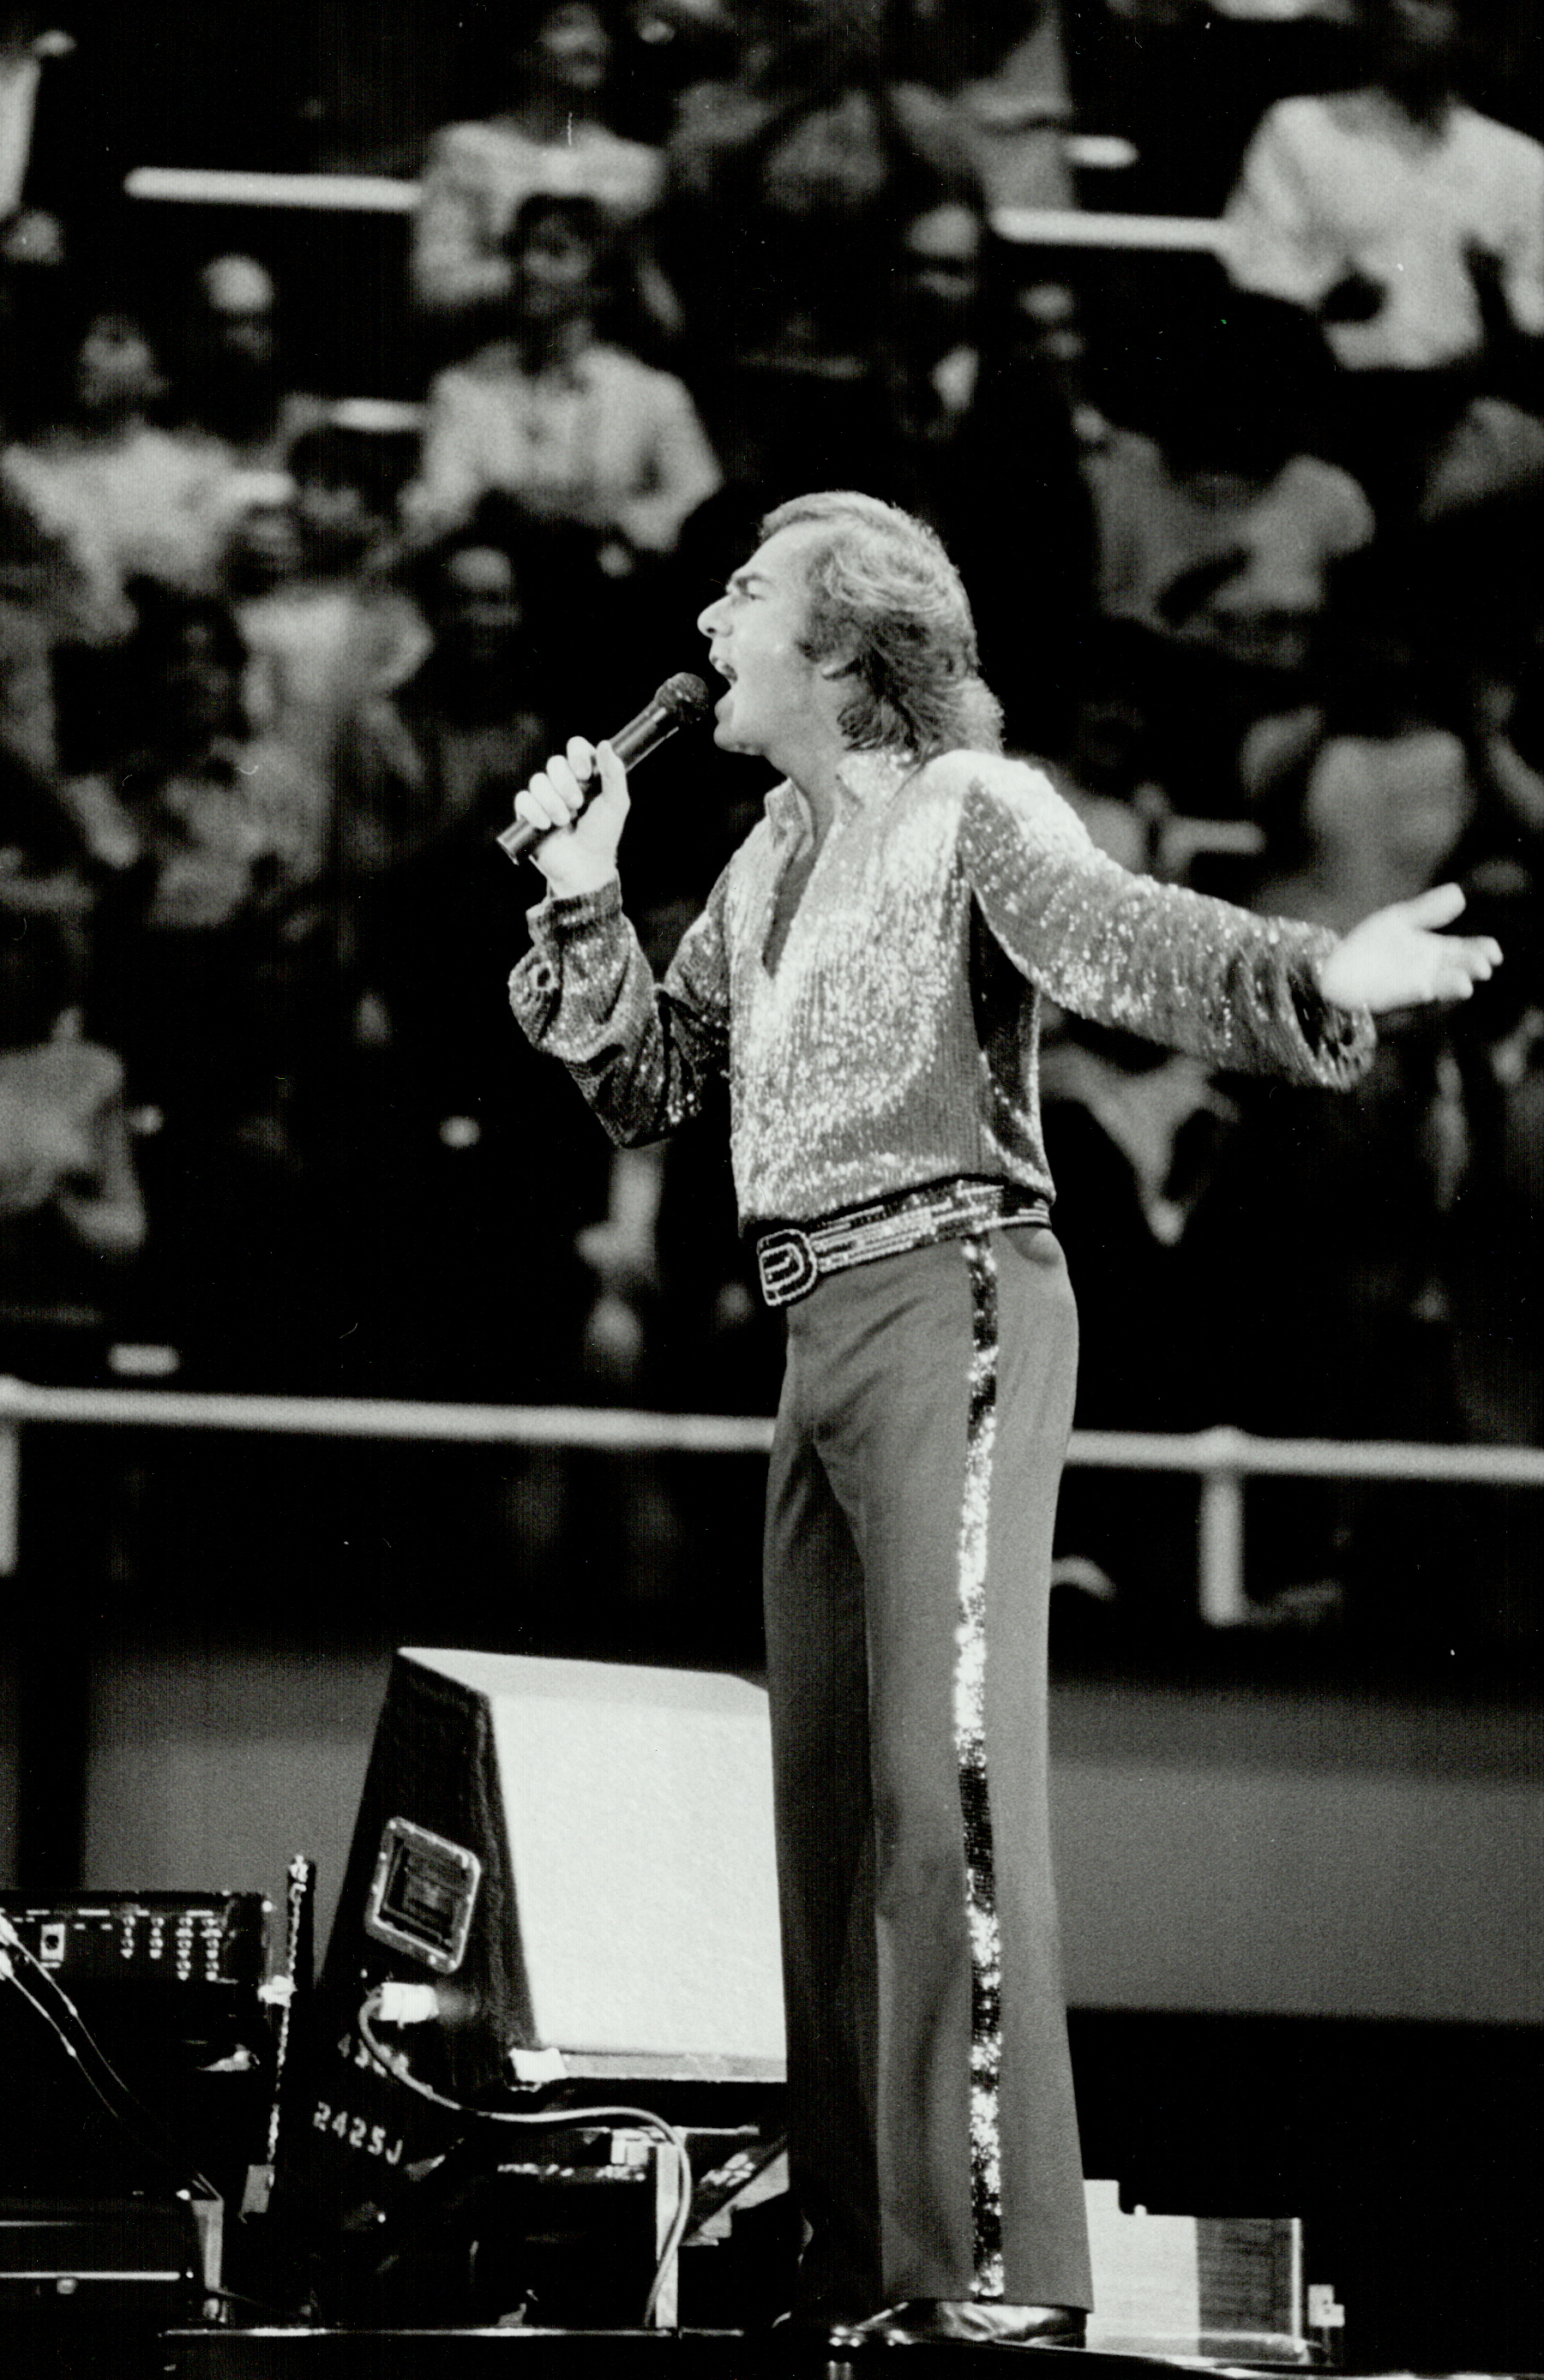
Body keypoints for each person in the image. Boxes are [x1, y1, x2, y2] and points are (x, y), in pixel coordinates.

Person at [504, 489, 1499, 2343]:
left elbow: (1119, 940)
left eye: (745, 591)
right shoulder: (767, 856)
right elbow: (646, 1088)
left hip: (950, 1294)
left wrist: (1307, 977)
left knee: (931, 1790)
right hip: (811, 1331)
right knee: (819, 1806)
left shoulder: (973, 808)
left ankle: (979, 2274)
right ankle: (861, 2270)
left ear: (836, 643)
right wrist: (581, 892)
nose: (708, 618)